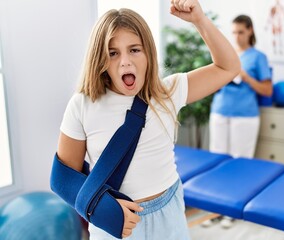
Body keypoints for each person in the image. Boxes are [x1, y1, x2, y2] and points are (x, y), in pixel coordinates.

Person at [53, 0, 240, 239]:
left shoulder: (168, 92)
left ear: (148, 53)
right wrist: (104, 209)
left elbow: (229, 67)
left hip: (168, 212)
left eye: (134, 49)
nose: (125, 61)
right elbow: (63, 178)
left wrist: (200, 21)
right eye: (113, 53)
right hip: (116, 218)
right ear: (100, 60)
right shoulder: (83, 104)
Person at [205, 14, 272, 229]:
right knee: (217, 161)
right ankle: (216, 208)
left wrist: (245, 76)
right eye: (233, 32)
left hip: (245, 116)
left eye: (240, 32)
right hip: (220, 111)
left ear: (250, 31)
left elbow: (267, 90)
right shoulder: (227, 54)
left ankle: (232, 210)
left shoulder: (258, 57)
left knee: (240, 163)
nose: (236, 36)